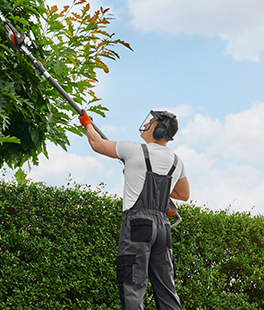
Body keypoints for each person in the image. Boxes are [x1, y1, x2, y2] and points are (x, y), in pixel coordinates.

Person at [79, 109, 189, 310]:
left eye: (151, 122)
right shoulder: (176, 161)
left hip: (138, 225)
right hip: (163, 229)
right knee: (166, 288)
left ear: (158, 129)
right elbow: (183, 195)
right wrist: (162, 197)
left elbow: (96, 143)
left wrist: (87, 123)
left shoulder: (132, 149)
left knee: (132, 284)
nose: (146, 125)